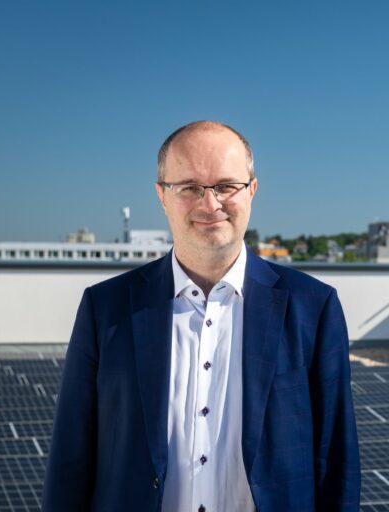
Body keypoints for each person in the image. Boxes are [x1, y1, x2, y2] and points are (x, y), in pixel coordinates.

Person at [42, 121, 361, 511]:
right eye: (190, 187)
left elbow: (336, 462)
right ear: (162, 195)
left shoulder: (313, 307)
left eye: (226, 186)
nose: (210, 204)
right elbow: (71, 461)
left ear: (252, 190)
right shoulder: (105, 308)